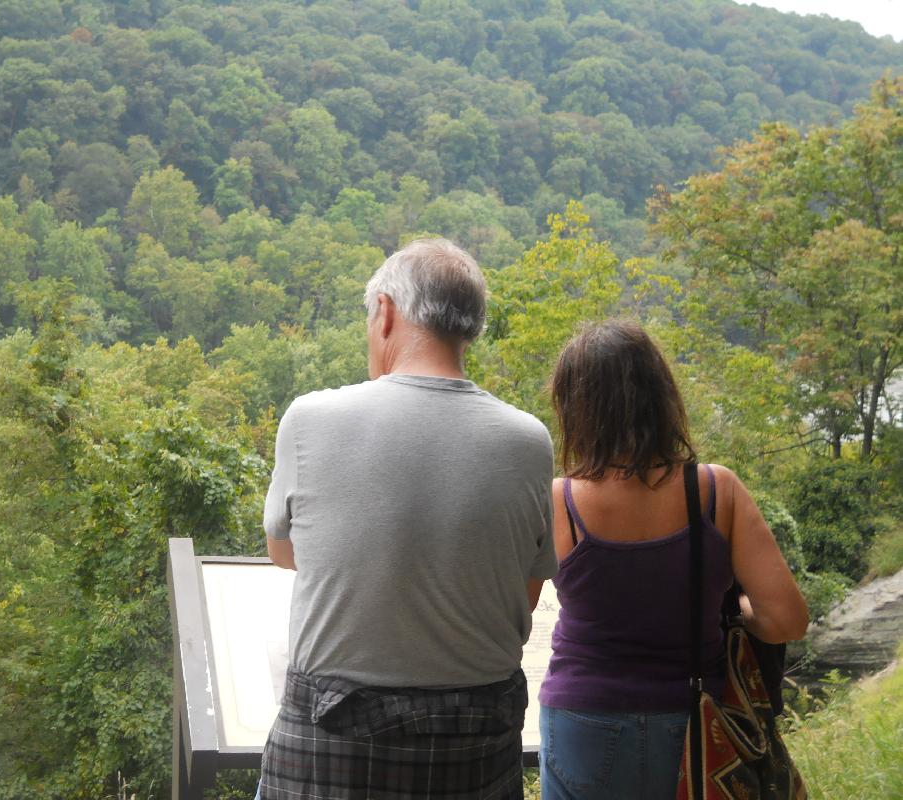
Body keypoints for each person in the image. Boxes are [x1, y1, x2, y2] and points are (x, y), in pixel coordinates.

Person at [259, 238, 557, 800]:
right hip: (477, 736)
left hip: (334, 735)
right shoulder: (528, 440)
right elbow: (529, 587)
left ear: (387, 313)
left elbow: (285, 552)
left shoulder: (311, 419)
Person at [538, 320, 809, 800]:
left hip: (582, 717)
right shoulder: (715, 491)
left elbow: (512, 619)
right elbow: (786, 620)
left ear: (574, 407)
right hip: (693, 722)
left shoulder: (559, 501)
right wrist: (738, 614)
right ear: (661, 395)